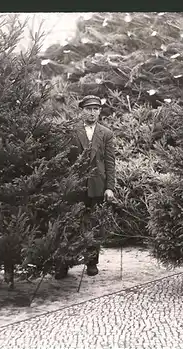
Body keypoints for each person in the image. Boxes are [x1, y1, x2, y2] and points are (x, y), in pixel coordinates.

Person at [55, 95, 116, 279]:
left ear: (99, 111)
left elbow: (110, 162)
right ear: (82, 110)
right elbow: (63, 160)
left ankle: (91, 262)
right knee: (69, 225)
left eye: (95, 109)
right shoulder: (70, 132)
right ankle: (64, 264)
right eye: (88, 109)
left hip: (97, 186)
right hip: (75, 186)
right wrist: (63, 184)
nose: (92, 113)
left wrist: (110, 187)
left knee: (94, 225)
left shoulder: (106, 134)